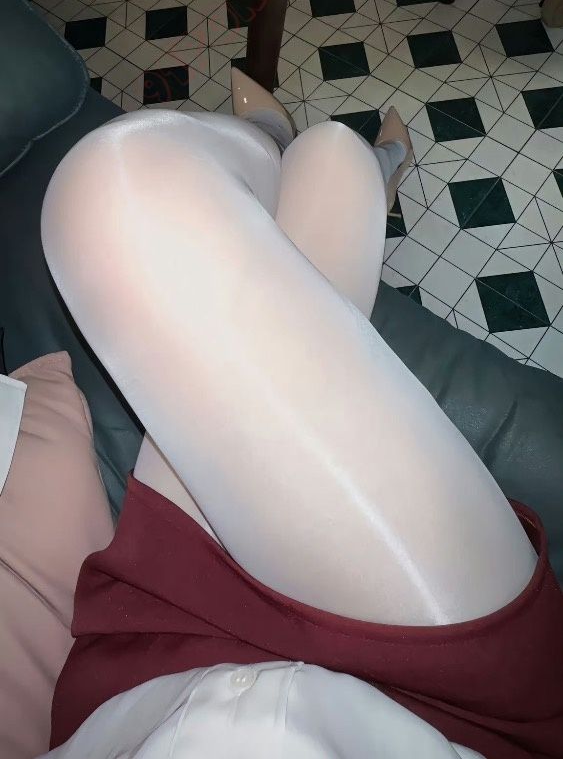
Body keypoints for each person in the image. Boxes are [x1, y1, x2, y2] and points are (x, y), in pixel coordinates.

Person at [39, 70, 563, 759]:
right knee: (324, 155)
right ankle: (342, 164)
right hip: (445, 703)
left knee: (121, 195)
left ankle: (287, 146)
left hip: (155, 663)